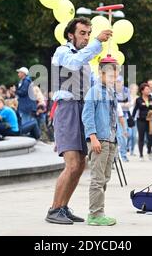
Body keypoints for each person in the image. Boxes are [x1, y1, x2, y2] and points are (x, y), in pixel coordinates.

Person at [46, 17, 112, 225]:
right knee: (73, 163)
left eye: (88, 34)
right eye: (82, 33)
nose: (86, 37)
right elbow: (74, 62)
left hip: (82, 108)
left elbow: (94, 85)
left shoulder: (86, 61)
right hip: (67, 109)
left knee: (81, 164)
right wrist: (97, 43)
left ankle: (63, 207)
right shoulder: (63, 52)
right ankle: (54, 209)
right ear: (70, 35)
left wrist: (108, 72)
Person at [82, 61, 119, 226]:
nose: (113, 78)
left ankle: (99, 210)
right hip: (99, 140)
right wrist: (93, 137)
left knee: (105, 178)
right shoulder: (94, 91)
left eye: (115, 75)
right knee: (97, 179)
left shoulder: (111, 92)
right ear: (102, 74)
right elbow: (87, 115)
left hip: (111, 140)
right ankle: (95, 214)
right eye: (110, 75)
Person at [132, 83, 152, 161]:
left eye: (149, 89)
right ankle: (141, 155)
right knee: (141, 137)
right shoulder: (139, 100)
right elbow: (135, 110)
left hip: (150, 121)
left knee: (150, 137)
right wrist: (132, 119)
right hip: (141, 120)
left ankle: (149, 152)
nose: (148, 90)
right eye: (146, 89)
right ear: (142, 91)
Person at [127, 84, 138, 156]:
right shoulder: (127, 97)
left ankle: (132, 150)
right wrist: (132, 103)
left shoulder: (138, 98)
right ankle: (127, 147)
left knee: (134, 136)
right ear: (130, 89)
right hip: (128, 118)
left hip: (135, 119)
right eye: (133, 89)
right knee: (129, 135)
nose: (135, 90)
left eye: (136, 89)